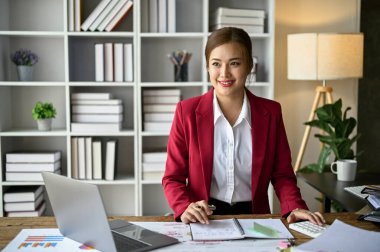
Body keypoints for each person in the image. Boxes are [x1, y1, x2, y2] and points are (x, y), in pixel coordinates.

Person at [162, 27, 325, 226]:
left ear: (249, 66)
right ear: (207, 67)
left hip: (256, 218)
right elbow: (173, 178)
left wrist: (294, 206)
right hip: (203, 218)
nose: (224, 73)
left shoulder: (271, 113)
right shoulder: (186, 112)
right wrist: (184, 206)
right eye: (216, 64)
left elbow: (282, 174)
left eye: (235, 63)